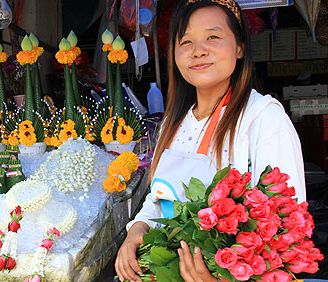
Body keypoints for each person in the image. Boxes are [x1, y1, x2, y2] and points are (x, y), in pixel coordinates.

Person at [115, 0, 306, 281]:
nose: (198, 50)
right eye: (186, 41)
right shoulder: (173, 122)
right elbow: (159, 198)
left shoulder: (262, 118)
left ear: (240, 47)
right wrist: (138, 228)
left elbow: (290, 228)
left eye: (212, 37)